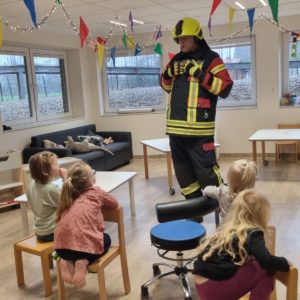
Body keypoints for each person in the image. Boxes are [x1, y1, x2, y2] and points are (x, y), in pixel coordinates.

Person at [160, 17, 233, 199]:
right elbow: (167, 86)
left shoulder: (211, 59)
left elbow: (225, 88)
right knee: (183, 174)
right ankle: (194, 213)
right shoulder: (176, 59)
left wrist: (200, 75)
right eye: (179, 38)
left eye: (185, 38)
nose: (181, 42)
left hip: (200, 131)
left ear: (196, 38)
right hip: (175, 129)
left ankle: (225, 210)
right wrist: (168, 74)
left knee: (206, 173)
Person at [194, 189, 291, 300]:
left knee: (254, 262)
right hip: (216, 289)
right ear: (260, 215)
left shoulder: (226, 228)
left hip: (201, 286)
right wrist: (285, 263)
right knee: (265, 269)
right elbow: (266, 261)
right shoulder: (253, 232)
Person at [54, 162, 118, 288]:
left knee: (75, 243)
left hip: (60, 248)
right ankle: (82, 262)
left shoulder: (69, 194)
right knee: (106, 239)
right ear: (90, 180)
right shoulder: (96, 191)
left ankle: (65, 261)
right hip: (84, 249)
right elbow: (114, 203)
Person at [27, 151, 66, 242]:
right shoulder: (50, 189)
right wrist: (65, 178)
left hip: (40, 230)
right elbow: (69, 201)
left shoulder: (32, 183)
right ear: (45, 172)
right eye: (56, 164)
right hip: (51, 231)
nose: (58, 166)